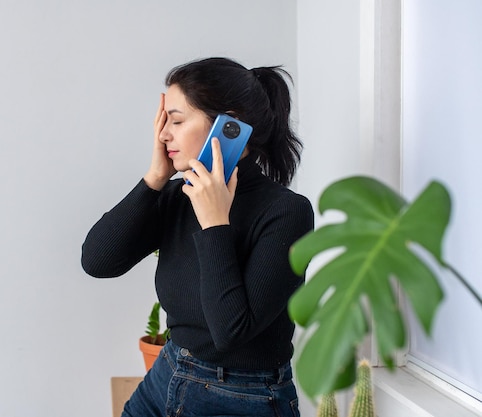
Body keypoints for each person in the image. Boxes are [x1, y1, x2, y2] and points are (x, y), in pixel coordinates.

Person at [81, 57, 314, 417]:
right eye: (164, 122)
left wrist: (215, 224)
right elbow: (97, 262)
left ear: (229, 126)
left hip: (243, 398)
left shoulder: (287, 213)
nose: (163, 134)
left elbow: (231, 332)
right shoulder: (178, 196)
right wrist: (155, 179)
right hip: (167, 374)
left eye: (176, 120)